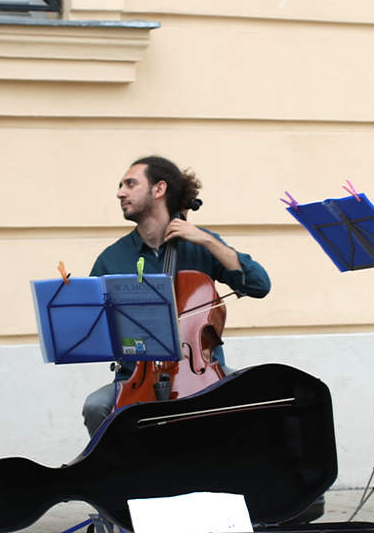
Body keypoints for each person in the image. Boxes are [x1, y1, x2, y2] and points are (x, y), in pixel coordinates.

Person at [81, 157, 271, 435]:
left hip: (201, 370)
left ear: (159, 189)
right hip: (136, 378)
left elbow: (259, 285)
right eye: (121, 185)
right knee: (95, 406)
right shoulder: (112, 259)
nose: (120, 192)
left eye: (130, 184)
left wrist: (206, 240)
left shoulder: (201, 243)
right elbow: (94, 327)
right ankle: (125, 475)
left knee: (256, 397)